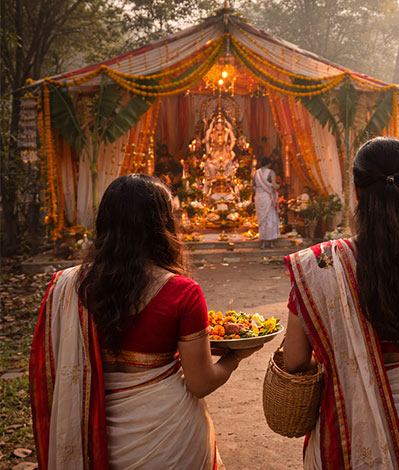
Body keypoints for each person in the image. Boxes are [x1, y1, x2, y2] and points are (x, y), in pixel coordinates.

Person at [30, 174, 260, 470]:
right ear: (161, 225)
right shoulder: (182, 292)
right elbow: (201, 383)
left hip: (96, 438)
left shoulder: (72, 287)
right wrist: (235, 355)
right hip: (171, 438)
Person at [282, 137, 399, 469]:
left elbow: (295, 359)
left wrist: (345, 351)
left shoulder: (323, 266)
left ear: (356, 191)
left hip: (350, 423)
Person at [253, 157, 281, 249]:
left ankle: (263, 243)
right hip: (268, 197)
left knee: (262, 220)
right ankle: (271, 243)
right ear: (269, 164)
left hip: (259, 198)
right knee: (270, 218)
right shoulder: (271, 172)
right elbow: (273, 185)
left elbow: (252, 187)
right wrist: (279, 186)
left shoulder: (255, 173)